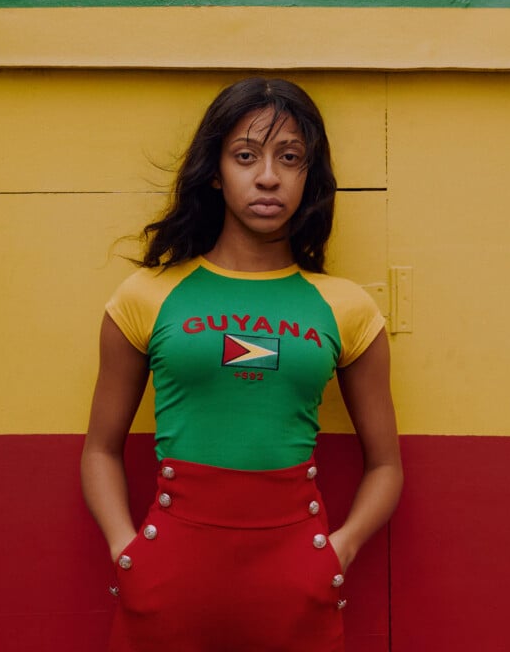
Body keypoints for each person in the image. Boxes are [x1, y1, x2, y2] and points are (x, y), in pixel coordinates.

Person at [81, 77, 403, 652]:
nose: (268, 177)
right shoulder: (146, 296)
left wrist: (340, 550)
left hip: (297, 577)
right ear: (214, 169)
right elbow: (100, 450)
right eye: (246, 156)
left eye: (291, 158)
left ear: (311, 177)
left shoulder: (346, 307)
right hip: (167, 573)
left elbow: (386, 466)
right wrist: (125, 550)